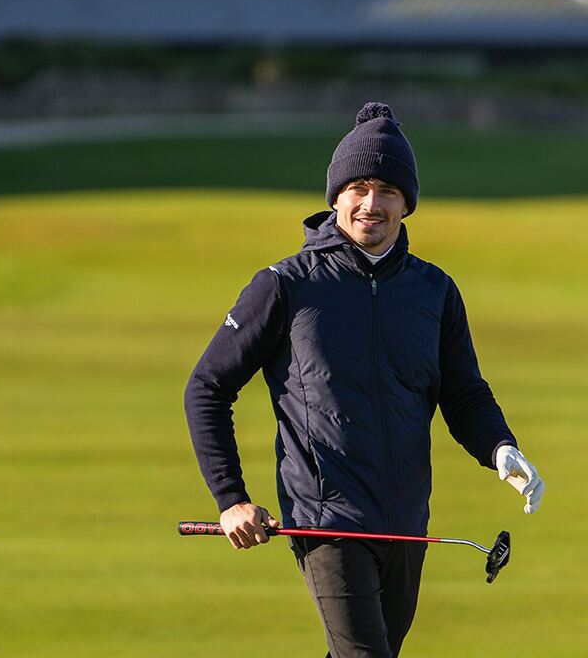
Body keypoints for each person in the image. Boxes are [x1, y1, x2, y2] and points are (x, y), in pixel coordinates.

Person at [184, 102, 545, 657]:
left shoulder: (435, 292)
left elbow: (464, 393)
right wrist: (231, 498)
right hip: (325, 518)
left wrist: (500, 447)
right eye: (357, 187)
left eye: (386, 190)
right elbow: (208, 386)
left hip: (404, 521)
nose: (370, 204)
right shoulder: (285, 285)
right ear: (335, 197)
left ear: (407, 203)